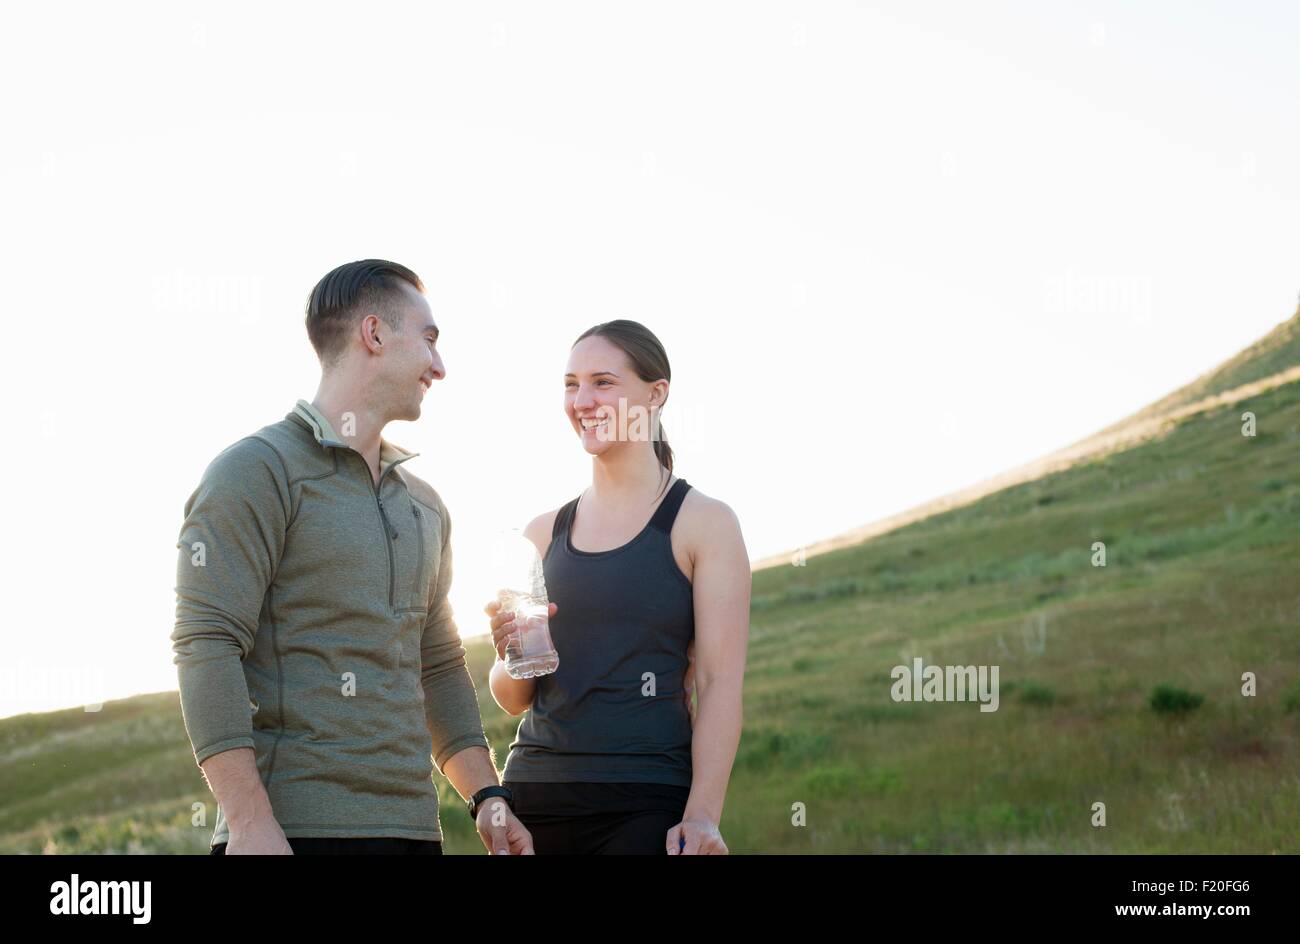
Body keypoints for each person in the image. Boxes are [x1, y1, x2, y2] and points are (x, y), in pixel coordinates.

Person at [172, 259, 533, 855]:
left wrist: (488, 799)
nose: (440, 366)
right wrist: (249, 824)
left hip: (413, 833)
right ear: (374, 334)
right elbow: (206, 642)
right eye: (430, 339)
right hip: (293, 833)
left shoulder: (426, 505)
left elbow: (437, 664)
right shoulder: (256, 472)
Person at [485, 320, 750, 854]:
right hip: (536, 798)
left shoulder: (704, 523)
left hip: (646, 798)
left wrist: (702, 817)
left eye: (603, 381)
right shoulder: (541, 533)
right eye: (570, 384)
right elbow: (515, 698)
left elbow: (720, 682)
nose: (582, 399)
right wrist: (511, 652)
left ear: (656, 394)